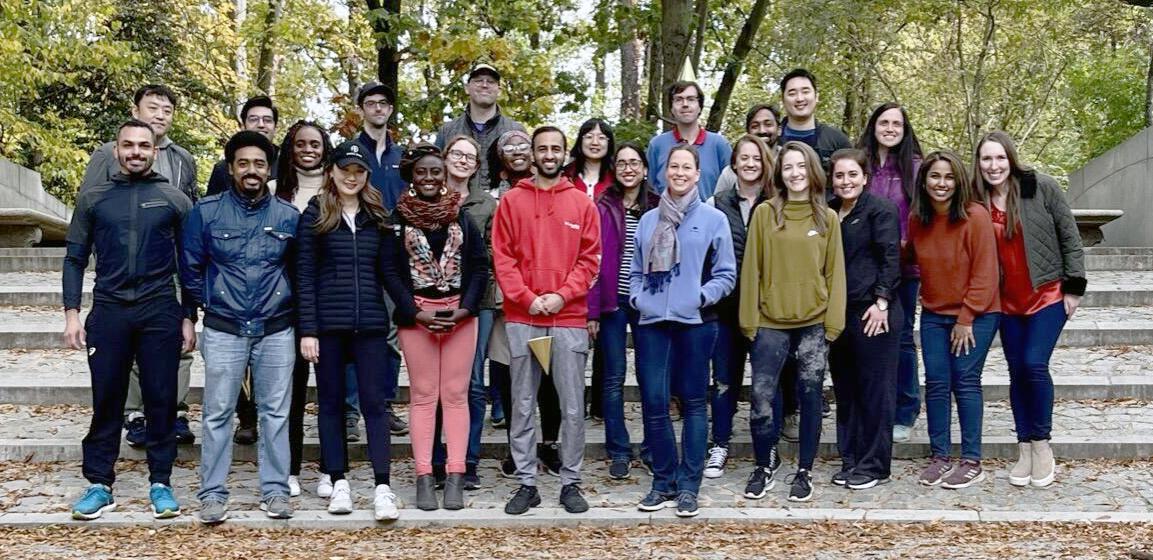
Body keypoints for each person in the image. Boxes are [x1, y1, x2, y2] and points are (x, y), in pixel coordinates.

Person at [64, 119, 194, 520]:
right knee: (107, 401)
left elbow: (190, 265)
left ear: (155, 150)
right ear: (116, 150)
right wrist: (72, 314)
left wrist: (189, 317)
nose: (135, 152)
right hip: (110, 310)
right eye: (128, 145)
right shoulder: (94, 198)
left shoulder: (174, 199)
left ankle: (161, 483)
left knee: (160, 400)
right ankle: (100, 484)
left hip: (159, 311)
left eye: (143, 145)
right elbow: (74, 258)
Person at [181, 131, 299, 523]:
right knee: (217, 412)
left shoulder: (287, 216)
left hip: (276, 327)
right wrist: (210, 302)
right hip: (224, 327)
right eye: (243, 163)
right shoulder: (207, 211)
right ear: (231, 168)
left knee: (275, 413)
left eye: (259, 164)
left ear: (269, 170)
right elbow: (191, 268)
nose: (251, 170)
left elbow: (298, 272)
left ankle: (276, 491)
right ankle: (212, 494)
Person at [79, 84, 198, 448]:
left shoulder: (182, 158)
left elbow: (189, 206)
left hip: (170, 264)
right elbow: (92, 205)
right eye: (153, 107)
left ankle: (172, 410)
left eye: (167, 109)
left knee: (177, 341)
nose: (160, 114)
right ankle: (136, 415)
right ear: (136, 110)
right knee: (128, 343)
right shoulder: (106, 154)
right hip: (123, 270)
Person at [492, 126, 601, 516]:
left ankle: (571, 481)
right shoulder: (512, 202)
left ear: (564, 153)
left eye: (556, 148)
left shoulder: (582, 204)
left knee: (572, 406)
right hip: (525, 320)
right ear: (533, 154)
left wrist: (560, 295)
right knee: (522, 404)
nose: (549, 154)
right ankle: (526, 483)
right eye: (543, 148)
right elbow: (502, 259)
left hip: (567, 320)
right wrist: (527, 298)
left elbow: (591, 260)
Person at [973, 131, 1085, 488]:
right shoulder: (976, 200)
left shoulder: (1041, 187)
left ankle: (1042, 444)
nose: (994, 166)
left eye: (1000, 158)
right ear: (979, 164)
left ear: (1011, 159)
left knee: (1034, 365)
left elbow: (1069, 234)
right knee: (1016, 370)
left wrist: (1075, 286)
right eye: (987, 159)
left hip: (1047, 293)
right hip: (1005, 301)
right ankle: (1023, 447)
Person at [382, 144, 489, 511]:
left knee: (456, 396)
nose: (429, 178)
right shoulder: (397, 218)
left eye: (435, 172)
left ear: (445, 176)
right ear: (412, 175)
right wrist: (414, 312)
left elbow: (479, 266)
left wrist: (466, 309)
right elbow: (390, 271)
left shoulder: (461, 216)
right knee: (425, 396)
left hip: (459, 314)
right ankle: (425, 475)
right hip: (418, 316)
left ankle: (456, 475)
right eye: (422, 172)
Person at [297, 140, 400, 520]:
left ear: (366, 175)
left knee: (375, 404)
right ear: (332, 171)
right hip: (328, 327)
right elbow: (304, 274)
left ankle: (382, 485)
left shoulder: (378, 215)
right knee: (331, 405)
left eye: (358, 171)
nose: (351, 177)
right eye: (345, 170)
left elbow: (389, 272)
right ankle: (338, 480)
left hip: (371, 325)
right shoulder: (315, 214)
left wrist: (411, 311)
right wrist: (308, 329)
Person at [631, 145, 736, 518]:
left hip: (696, 323)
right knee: (655, 404)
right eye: (673, 166)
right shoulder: (647, 221)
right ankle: (663, 482)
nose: (679, 173)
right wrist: (638, 298)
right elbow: (636, 271)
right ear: (663, 173)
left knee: (693, 404)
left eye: (686, 167)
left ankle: (689, 486)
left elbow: (726, 273)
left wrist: (700, 297)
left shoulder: (713, 219)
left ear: (697, 174)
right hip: (653, 324)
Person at [739, 141, 845, 503]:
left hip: (813, 322)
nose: (795, 173)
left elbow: (835, 275)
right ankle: (764, 464)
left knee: (810, 395)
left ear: (812, 170)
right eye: (788, 167)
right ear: (779, 173)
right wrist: (749, 322)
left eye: (801, 166)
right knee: (762, 398)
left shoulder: (826, 218)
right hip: (769, 321)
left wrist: (832, 324)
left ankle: (805, 470)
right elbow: (751, 268)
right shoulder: (766, 213)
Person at [908, 150, 1001, 489]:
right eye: (935, 176)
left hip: (977, 313)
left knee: (964, 379)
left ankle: (972, 459)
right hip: (934, 313)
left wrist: (966, 318)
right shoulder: (919, 219)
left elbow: (986, 273)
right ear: (924, 181)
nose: (942, 183)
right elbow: (909, 254)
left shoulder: (975, 216)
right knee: (935, 382)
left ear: (958, 181)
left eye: (948, 177)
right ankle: (940, 456)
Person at [487, 129, 565, 477]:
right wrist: (520, 294)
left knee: (548, 378)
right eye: (511, 149)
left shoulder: (560, 193)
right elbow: (499, 253)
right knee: (512, 381)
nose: (518, 153)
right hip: (511, 304)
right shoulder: (495, 194)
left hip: (551, 305)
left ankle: (549, 445)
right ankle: (517, 449)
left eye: (523, 147)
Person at [827, 148, 902, 489]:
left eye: (852, 175)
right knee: (847, 390)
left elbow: (890, 257)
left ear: (865, 177)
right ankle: (852, 459)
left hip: (874, 312)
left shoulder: (880, 210)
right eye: (840, 175)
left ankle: (874, 464)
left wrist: (882, 301)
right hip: (838, 313)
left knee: (875, 391)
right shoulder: (828, 212)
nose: (846, 181)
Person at [587, 142, 660, 480]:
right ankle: (618, 449)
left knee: (650, 377)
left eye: (636, 162)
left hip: (648, 303)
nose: (629, 168)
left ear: (645, 169)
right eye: (623, 163)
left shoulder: (659, 205)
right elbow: (591, 258)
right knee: (613, 377)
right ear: (614, 168)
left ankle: (650, 447)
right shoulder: (602, 205)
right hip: (612, 302)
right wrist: (591, 310)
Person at [704, 134, 775, 480]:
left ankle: (768, 445)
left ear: (765, 164)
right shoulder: (716, 203)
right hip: (727, 308)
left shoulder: (777, 203)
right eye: (743, 158)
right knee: (724, 381)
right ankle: (719, 443)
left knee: (766, 382)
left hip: (767, 309)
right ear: (734, 163)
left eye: (756, 158)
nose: (749, 164)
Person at [271, 120, 334, 497]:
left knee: (329, 391)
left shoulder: (336, 188)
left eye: (315, 143)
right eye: (301, 144)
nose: (308, 149)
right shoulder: (275, 191)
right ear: (290, 148)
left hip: (329, 302)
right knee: (289, 393)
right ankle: (289, 469)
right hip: (283, 304)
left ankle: (330, 470)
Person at [858, 102, 923, 444]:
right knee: (866, 337)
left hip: (904, 267)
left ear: (905, 128)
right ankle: (871, 408)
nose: (890, 128)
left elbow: (923, 217)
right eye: (884, 122)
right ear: (873, 125)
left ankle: (906, 408)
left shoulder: (915, 167)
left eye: (897, 123)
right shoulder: (860, 163)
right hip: (863, 268)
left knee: (900, 338)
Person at [353, 82, 409, 437]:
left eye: (383, 103)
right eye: (370, 103)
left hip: (393, 255)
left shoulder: (401, 157)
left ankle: (384, 404)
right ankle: (347, 411)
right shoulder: (349, 151)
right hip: (355, 251)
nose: (377, 108)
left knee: (389, 335)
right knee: (349, 331)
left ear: (390, 110)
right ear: (361, 109)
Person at [444, 135, 498, 489]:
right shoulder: (426, 197)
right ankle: (438, 458)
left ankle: (469, 459)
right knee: (440, 385)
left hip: (478, 303)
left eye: (470, 157)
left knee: (473, 383)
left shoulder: (487, 205)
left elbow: (495, 253)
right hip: (435, 302)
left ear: (477, 166)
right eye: (457, 154)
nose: (462, 160)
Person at [435, 63, 527, 192]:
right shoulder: (447, 131)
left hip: (504, 208)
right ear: (467, 88)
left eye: (490, 81)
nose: (484, 85)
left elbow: (527, 176)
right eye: (478, 81)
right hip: (456, 207)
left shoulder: (516, 132)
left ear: (499, 90)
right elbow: (436, 172)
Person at [646, 81, 733, 199]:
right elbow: (650, 188)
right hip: (666, 215)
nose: (685, 104)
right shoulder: (657, 145)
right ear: (671, 108)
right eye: (678, 99)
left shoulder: (720, 145)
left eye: (691, 99)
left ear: (700, 106)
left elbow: (731, 189)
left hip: (709, 216)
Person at [777, 69, 851, 172]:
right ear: (783, 100)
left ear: (817, 97)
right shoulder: (773, 140)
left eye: (805, 92)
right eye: (792, 93)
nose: (799, 98)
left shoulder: (836, 140)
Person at [206, 95, 280, 196]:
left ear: (275, 127)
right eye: (253, 119)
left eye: (267, 120)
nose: (261, 125)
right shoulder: (223, 169)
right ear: (243, 126)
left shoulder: (287, 167)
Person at [712, 104, 781, 197]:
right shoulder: (732, 172)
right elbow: (717, 205)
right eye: (755, 126)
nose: (762, 130)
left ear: (779, 129)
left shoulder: (788, 162)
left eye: (768, 124)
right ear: (748, 132)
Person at [564, 118, 616, 200]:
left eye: (601, 138)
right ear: (580, 141)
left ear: (609, 143)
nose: (595, 142)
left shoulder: (617, 178)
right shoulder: (565, 175)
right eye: (589, 137)